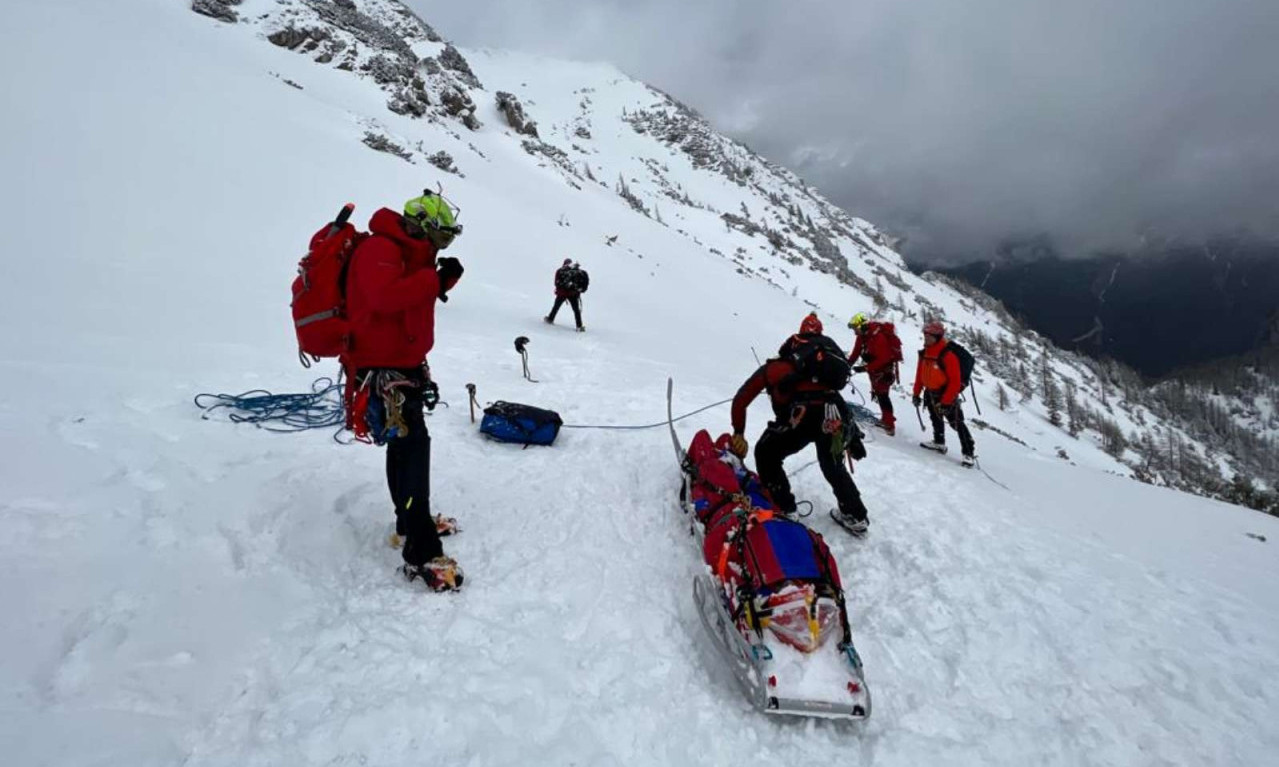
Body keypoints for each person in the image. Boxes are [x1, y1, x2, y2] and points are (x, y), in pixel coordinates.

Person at [343, 191, 466, 591]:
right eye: (440, 237)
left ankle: (407, 522)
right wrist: (431, 278)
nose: (439, 247)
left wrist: (439, 281)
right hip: (383, 370)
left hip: (402, 365)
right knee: (413, 450)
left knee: (405, 445)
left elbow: (405, 298)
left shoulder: (403, 252)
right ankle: (421, 551)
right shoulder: (380, 247)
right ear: (421, 227)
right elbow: (383, 297)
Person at [729, 313, 871, 536]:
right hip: (832, 418)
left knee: (767, 453)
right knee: (832, 463)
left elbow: (741, 400)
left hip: (799, 419)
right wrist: (852, 437)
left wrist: (739, 432)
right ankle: (856, 514)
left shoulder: (780, 366)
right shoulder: (827, 369)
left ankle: (784, 508)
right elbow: (839, 402)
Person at [911, 321, 977, 467]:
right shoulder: (925, 353)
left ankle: (968, 452)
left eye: (930, 336)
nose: (926, 338)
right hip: (930, 392)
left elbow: (955, 381)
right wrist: (916, 393)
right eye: (925, 335)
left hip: (945, 394)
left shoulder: (947, 355)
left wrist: (947, 401)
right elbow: (919, 375)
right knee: (935, 418)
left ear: (938, 337)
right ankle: (939, 442)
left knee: (957, 423)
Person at [848, 312, 900, 436]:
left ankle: (889, 424)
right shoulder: (863, 336)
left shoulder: (878, 337)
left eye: (856, 329)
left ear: (862, 326)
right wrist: (847, 364)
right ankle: (886, 419)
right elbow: (856, 352)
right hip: (875, 370)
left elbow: (884, 359)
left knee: (883, 395)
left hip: (883, 370)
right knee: (881, 395)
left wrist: (865, 368)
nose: (855, 332)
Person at [545, 259, 588, 331]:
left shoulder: (560, 271)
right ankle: (579, 326)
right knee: (576, 310)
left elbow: (556, 283)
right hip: (573, 294)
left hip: (562, 293)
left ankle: (550, 319)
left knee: (556, 307)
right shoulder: (577, 272)